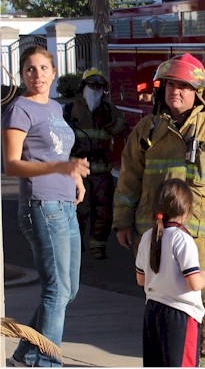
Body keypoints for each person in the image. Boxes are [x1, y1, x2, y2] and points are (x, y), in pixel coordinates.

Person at [113, 53, 205, 367]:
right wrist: (122, 221)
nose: (176, 91)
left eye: (185, 86)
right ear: (161, 89)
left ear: (197, 93)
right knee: (161, 305)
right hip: (157, 235)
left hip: (203, 239)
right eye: (171, 85)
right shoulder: (146, 131)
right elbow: (129, 178)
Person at [2, 45, 90, 367]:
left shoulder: (54, 107)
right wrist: (58, 170)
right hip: (41, 203)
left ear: (54, 72)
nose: (37, 74)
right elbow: (11, 165)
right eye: (30, 69)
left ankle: (26, 355)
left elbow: (54, 153)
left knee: (69, 288)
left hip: (65, 202)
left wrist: (74, 175)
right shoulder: (19, 109)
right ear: (23, 73)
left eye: (43, 68)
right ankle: (47, 362)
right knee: (56, 290)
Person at [136, 178, 205, 367]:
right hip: (180, 314)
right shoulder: (182, 239)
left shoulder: (147, 237)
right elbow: (194, 282)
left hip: (152, 310)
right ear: (186, 210)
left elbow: (140, 279)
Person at [64, 67, 128, 259]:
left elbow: (123, 130)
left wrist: (109, 122)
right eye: (92, 85)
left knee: (103, 212)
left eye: (100, 86)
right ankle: (76, 247)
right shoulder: (70, 110)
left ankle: (97, 248)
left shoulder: (109, 110)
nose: (96, 89)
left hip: (102, 172)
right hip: (78, 172)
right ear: (84, 87)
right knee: (79, 211)